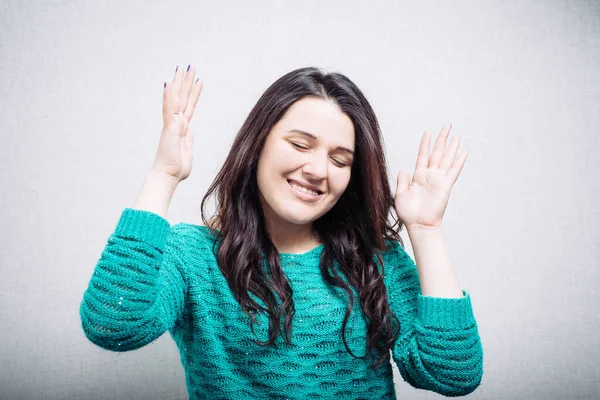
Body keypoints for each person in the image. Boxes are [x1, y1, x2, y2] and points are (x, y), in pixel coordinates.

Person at [80, 65, 484, 399]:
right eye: (300, 144)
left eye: (339, 159)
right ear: (258, 144)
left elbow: (452, 373)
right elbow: (114, 324)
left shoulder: (374, 260)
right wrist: (163, 174)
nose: (317, 170)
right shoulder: (194, 255)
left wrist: (427, 230)